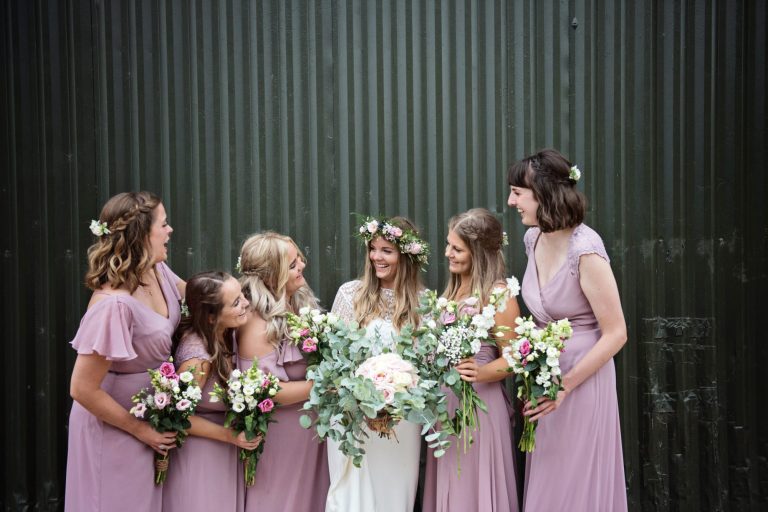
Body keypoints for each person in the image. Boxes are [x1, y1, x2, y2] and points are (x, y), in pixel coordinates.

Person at [507, 148, 627, 511]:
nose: (511, 201)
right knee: (549, 478)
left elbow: (617, 333)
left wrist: (565, 386)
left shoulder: (585, 250)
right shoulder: (534, 239)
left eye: (517, 192)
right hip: (544, 379)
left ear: (542, 194)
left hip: (582, 381)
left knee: (576, 482)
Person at [66, 191, 185, 512]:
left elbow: (200, 297)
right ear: (141, 235)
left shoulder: (156, 271)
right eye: (164, 223)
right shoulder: (114, 305)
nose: (170, 230)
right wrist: (141, 430)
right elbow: (82, 388)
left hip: (146, 419)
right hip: (114, 428)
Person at [326, 216, 429, 512]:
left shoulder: (423, 303)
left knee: (394, 492)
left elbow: (425, 364)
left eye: (386, 250)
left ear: (406, 256)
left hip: (400, 417)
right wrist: (361, 401)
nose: (376, 257)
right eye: (373, 249)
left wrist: (393, 400)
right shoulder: (350, 294)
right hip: (354, 415)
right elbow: (336, 358)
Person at [422, 207, 521, 512]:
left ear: (478, 252)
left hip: (479, 409)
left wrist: (479, 372)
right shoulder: (454, 288)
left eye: (457, 248)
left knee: (472, 489)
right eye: (448, 244)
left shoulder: (498, 294)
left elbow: (516, 356)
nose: (447, 253)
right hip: (446, 406)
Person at [237, 232, 329, 512]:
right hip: (281, 437)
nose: (301, 265)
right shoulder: (256, 323)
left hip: (310, 433)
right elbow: (267, 391)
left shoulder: (298, 304)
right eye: (291, 265)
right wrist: (325, 384)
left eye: (299, 258)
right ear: (271, 274)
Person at [162, 271, 261, 512]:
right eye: (236, 302)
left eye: (242, 296)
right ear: (210, 317)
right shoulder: (198, 358)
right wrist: (229, 435)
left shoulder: (226, 335)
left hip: (221, 454)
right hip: (200, 459)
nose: (246, 303)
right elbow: (178, 418)